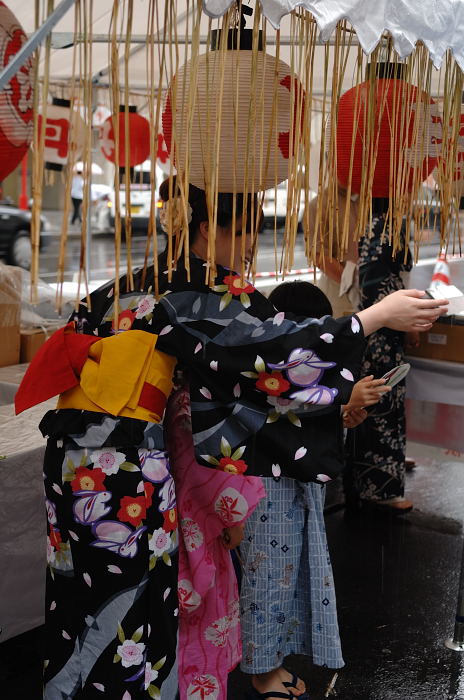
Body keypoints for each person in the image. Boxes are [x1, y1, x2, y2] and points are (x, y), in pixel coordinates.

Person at [15, 178, 447, 700]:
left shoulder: (130, 284)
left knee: (78, 600)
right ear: (206, 229)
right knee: (135, 610)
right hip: (126, 466)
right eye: (244, 231)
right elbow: (278, 355)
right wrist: (373, 317)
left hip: (70, 457)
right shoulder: (201, 292)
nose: (249, 244)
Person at [236, 280, 389, 700]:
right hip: (265, 483)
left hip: (292, 482)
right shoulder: (268, 361)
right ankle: (263, 671)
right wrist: (340, 400)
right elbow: (276, 405)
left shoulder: (295, 363)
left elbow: (300, 410)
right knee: (266, 579)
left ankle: (273, 662)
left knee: (288, 576)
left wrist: (341, 414)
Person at [344, 199, 420, 515]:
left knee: (374, 401)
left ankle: (368, 480)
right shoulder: (386, 224)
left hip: (375, 322)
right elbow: (384, 282)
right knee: (382, 402)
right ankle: (381, 487)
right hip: (384, 326)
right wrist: (407, 320)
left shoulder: (369, 221)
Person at [304, 186, 360, 317]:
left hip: (370, 285)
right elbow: (319, 256)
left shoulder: (370, 200)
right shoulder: (319, 204)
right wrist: (352, 285)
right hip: (339, 290)